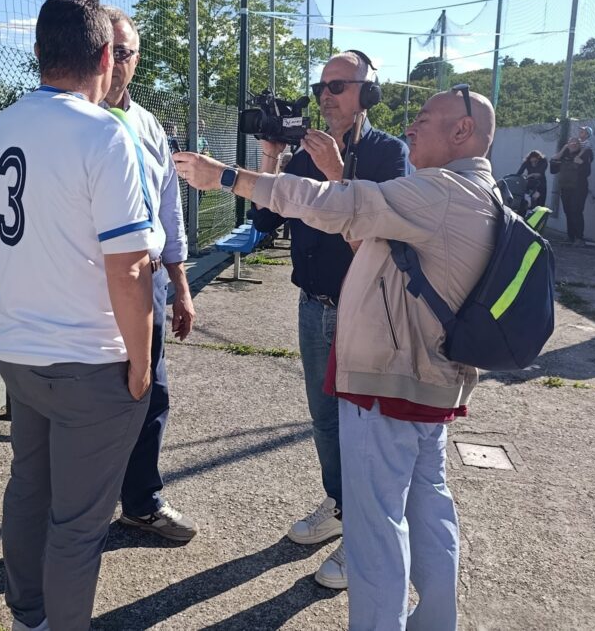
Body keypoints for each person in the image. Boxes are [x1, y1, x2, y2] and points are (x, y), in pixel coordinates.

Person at [174, 85, 498, 631]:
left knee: (373, 531)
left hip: (391, 382)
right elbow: (366, 234)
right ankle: (437, 620)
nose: (412, 127)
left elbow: (334, 205)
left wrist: (227, 176)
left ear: (462, 131)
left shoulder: (439, 190)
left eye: (423, 118)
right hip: (428, 376)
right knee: (428, 509)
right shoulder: (479, 191)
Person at [0, 0, 157, 631]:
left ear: (37, 53)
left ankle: (28, 617)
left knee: (28, 491)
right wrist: (141, 361)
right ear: (105, 56)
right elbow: (130, 269)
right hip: (89, 359)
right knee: (77, 525)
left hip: (19, 351)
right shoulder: (105, 133)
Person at [250, 50, 409, 589]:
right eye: (322, 85)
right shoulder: (306, 150)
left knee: (364, 428)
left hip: (366, 309)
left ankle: (362, 541)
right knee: (324, 419)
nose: (326, 94)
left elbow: (385, 229)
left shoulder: (391, 154)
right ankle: (342, 508)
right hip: (313, 304)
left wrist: (337, 174)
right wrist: (271, 156)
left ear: (368, 93)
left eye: (339, 85)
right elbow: (265, 216)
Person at [102, 5, 198, 543]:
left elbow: (171, 215)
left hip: (151, 283)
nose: (116, 61)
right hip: (94, 288)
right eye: (109, 49)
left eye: (126, 51)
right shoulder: (77, 123)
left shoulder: (148, 125)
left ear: (137, 60)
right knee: (94, 402)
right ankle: (79, 516)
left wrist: (180, 288)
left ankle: (140, 502)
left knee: (151, 395)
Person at [550, 136, 593, 246]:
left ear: (579, 145)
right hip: (565, 188)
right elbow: (553, 169)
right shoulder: (564, 155)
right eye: (571, 142)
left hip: (579, 188)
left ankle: (579, 238)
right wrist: (563, 149)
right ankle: (571, 237)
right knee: (568, 212)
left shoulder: (583, 154)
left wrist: (581, 163)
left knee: (576, 211)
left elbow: (587, 172)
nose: (573, 144)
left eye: (576, 143)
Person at [514, 149, 547, 215]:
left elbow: (539, 174)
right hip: (529, 184)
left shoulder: (543, 162)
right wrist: (516, 179)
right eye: (532, 160)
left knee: (539, 205)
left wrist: (529, 175)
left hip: (541, 185)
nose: (533, 162)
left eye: (535, 160)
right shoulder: (527, 162)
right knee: (525, 203)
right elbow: (519, 172)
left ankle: (535, 222)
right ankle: (522, 219)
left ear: (538, 158)